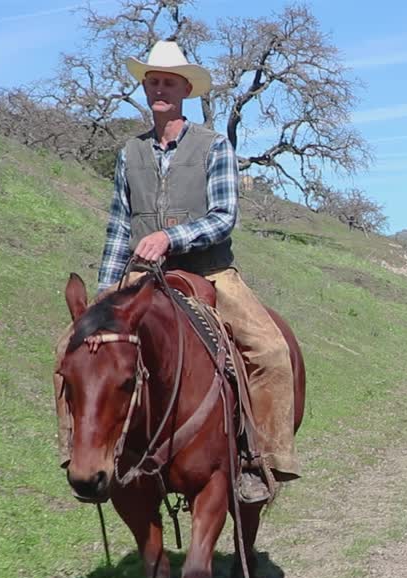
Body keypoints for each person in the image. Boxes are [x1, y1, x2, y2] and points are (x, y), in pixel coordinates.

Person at [53, 41, 297, 504]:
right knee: (69, 346)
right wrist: (106, 294)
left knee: (270, 351)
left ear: (185, 88)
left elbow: (225, 215)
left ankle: (260, 458)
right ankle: (76, 449)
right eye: (152, 81)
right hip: (140, 278)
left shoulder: (213, 145)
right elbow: (118, 226)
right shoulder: (130, 152)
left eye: (168, 81)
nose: (159, 88)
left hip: (210, 272)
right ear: (145, 87)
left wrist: (172, 238)